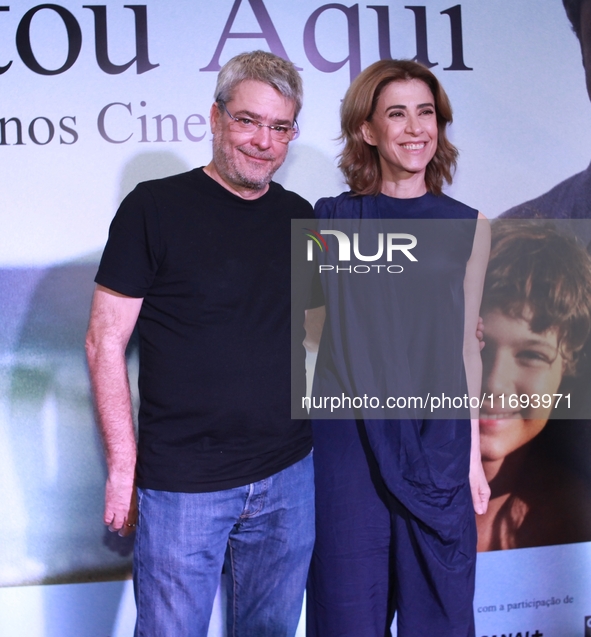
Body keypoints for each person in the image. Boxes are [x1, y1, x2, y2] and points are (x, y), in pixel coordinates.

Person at [85, 50, 315, 637]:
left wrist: (447, 320)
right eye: (247, 120)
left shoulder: (301, 217)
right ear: (215, 119)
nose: (263, 141)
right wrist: (122, 466)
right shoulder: (152, 208)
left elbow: (331, 331)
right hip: (183, 485)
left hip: (289, 476)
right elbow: (103, 342)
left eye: (280, 126)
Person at [305, 59, 491, 637]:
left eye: (426, 113)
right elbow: (311, 336)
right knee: (347, 610)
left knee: (438, 611)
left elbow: (466, 346)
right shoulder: (330, 220)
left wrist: (473, 456)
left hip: (438, 443)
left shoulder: (470, 224)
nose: (416, 128)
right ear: (368, 130)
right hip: (350, 442)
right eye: (397, 114)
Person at [477, 220, 591, 551]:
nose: (495, 384)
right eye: (478, 348)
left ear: (568, 368)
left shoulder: (577, 522)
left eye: (532, 355)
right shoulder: (374, 502)